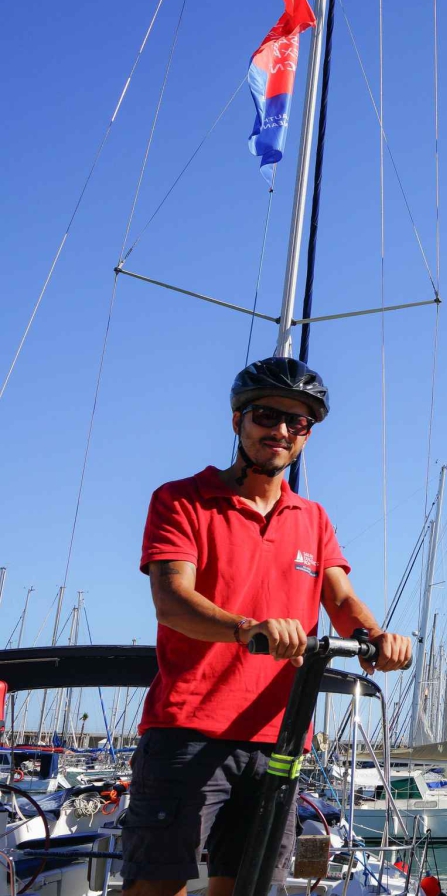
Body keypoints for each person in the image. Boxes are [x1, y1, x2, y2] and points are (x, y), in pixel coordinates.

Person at [123, 356, 412, 896]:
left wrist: (375, 638)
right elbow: (172, 599)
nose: (280, 430)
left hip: (279, 742)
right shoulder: (181, 500)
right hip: (188, 730)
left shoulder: (313, 518)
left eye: (297, 423)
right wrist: (247, 628)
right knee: (155, 888)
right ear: (238, 421)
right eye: (266, 415)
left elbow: (342, 598)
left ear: (306, 435)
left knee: (250, 888)